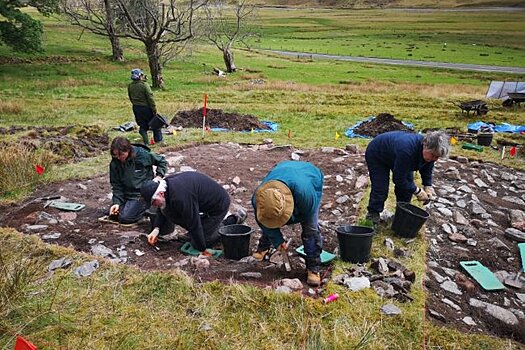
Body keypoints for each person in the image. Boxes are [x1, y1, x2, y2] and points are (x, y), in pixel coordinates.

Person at [251, 161, 324, 287]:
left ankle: (313, 267)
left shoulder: (305, 195)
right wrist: (278, 240)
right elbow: (263, 220)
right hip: (282, 170)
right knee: (269, 217)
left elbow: (307, 218)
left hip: (310, 177)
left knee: (310, 229)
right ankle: (264, 246)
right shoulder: (259, 198)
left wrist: (291, 218)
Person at [140, 172, 246, 255]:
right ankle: (204, 229)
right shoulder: (166, 187)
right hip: (201, 204)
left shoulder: (180, 198)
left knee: (202, 241)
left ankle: (233, 219)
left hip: (218, 205)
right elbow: (162, 209)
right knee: (167, 211)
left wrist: (202, 249)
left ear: (161, 193)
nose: (153, 205)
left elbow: (193, 222)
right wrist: (156, 229)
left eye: (153, 202)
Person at [364, 130, 450, 226]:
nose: (434, 159)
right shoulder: (407, 150)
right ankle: (372, 217)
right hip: (377, 153)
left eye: (437, 157)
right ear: (425, 145)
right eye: (433, 155)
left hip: (396, 154)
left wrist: (427, 185)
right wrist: (418, 191)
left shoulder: (429, 152)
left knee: (406, 189)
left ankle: (401, 216)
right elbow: (398, 179)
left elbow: (427, 168)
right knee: (380, 187)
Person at [109, 136, 168, 224]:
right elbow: (116, 185)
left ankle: (148, 207)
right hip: (126, 194)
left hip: (141, 194)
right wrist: (116, 202)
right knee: (114, 214)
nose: (118, 158)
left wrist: (158, 176)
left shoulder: (142, 155)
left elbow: (162, 161)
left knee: (125, 218)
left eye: (121, 155)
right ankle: (129, 207)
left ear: (128, 150)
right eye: (115, 155)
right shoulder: (115, 163)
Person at [128, 68, 163, 145]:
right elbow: (150, 98)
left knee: (143, 126)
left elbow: (130, 97)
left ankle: (146, 143)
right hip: (146, 108)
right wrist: (154, 109)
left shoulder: (130, 86)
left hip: (136, 108)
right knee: (155, 125)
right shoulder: (144, 85)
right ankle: (159, 141)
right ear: (140, 76)